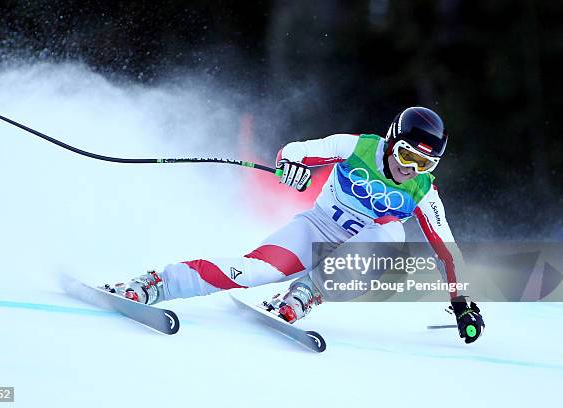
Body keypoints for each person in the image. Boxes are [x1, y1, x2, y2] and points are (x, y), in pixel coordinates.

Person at [103, 106, 485, 344]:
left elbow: (446, 252)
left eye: (424, 164)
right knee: (248, 271)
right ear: (391, 141)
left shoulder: (422, 193)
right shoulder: (356, 147)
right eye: (406, 155)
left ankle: (304, 294)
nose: (410, 169)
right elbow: (296, 151)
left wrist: (462, 302)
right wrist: (292, 168)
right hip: (314, 231)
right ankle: (153, 284)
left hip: (358, 257)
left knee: (391, 235)